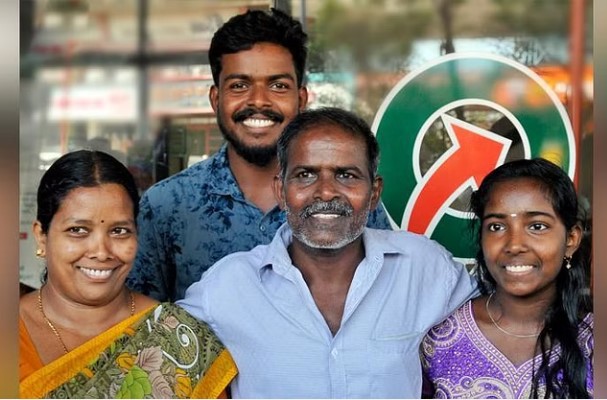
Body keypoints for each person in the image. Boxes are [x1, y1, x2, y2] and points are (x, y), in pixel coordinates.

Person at [177, 107, 477, 398]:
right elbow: (153, 352)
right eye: (306, 175)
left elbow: (500, 327)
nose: (325, 192)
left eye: (346, 175)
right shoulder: (228, 285)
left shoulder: (424, 267)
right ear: (281, 191)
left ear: (374, 193)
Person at [126, 8, 392, 302]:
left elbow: (386, 299)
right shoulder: (166, 206)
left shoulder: (347, 197)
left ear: (301, 99)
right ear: (216, 99)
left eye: (278, 86)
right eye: (239, 85)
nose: (258, 101)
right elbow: (140, 322)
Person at [19, 150, 237, 398]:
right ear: (41, 236)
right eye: (78, 230)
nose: (101, 252)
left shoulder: (176, 338)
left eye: (119, 231)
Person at [421, 158, 593, 398]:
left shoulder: (594, 339)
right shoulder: (439, 338)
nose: (514, 245)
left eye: (537, 226)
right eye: (497, 227)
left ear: (571, 239)